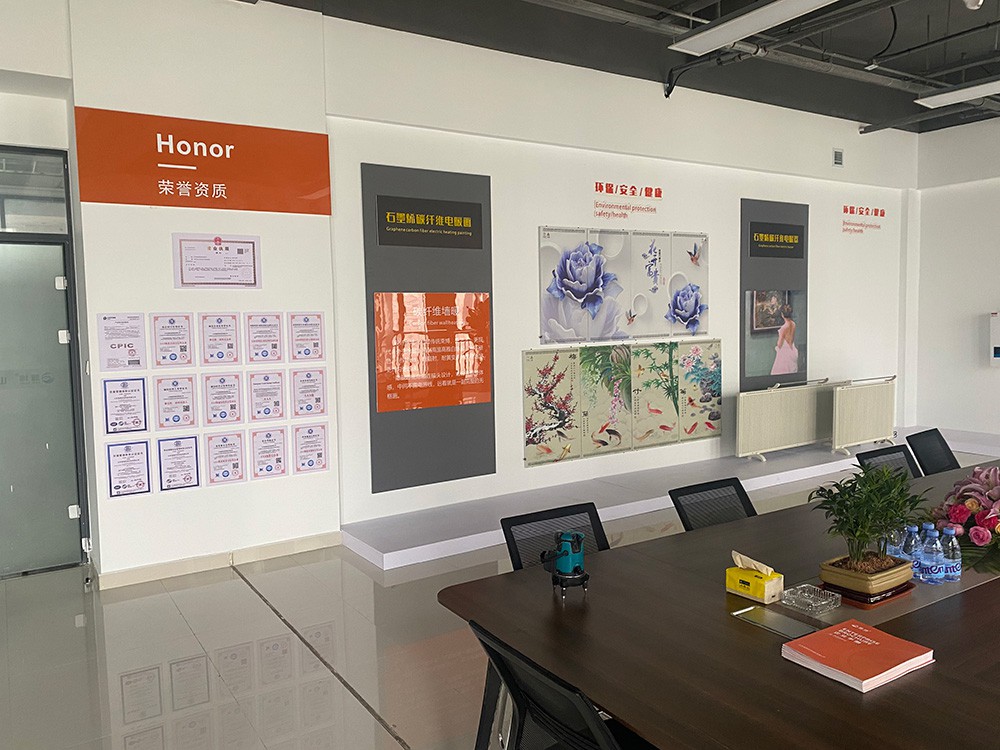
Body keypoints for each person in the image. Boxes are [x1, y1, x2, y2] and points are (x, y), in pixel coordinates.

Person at [770, 304, 798, 375]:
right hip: (792, 349)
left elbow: (779, 344)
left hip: (784, 352)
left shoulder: (783, 328)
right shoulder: (793, 324)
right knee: (791, 372)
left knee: (779, 373)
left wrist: (777, 347)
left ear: (782, 314)